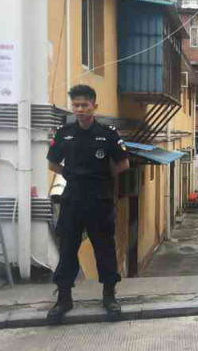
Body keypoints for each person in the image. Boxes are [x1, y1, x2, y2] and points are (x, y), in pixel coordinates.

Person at [46, 84, 130, 322]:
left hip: (99, 200)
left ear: (94, 105)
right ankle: (63, 299)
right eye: (76, 105)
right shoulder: (64, 133)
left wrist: (101, 177)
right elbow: (52, 165)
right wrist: (72, 175)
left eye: (84, 105)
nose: (80, 109)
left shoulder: (107, 134)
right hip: (72, 200)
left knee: (104, 249)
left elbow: (123, 164)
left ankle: (109, 297)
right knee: (68, 249)